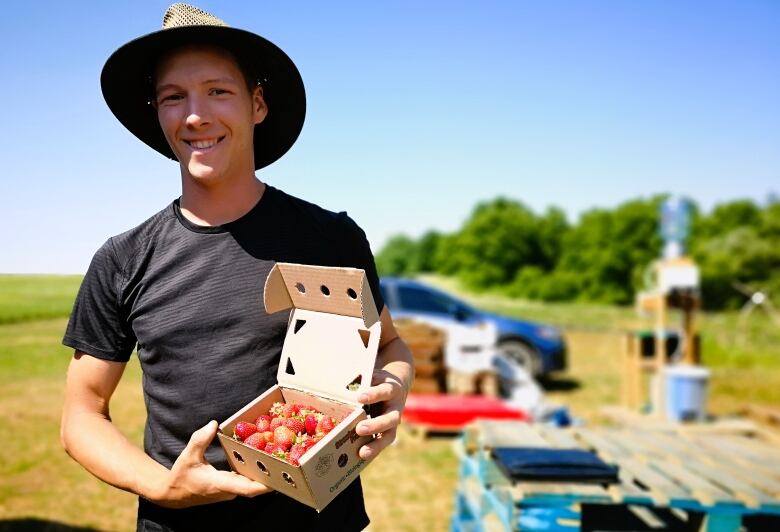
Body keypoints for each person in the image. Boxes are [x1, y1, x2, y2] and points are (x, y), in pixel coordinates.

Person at [59, 4, 413, 531]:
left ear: (258, 104)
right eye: (174, 97)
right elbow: (82, 414)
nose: (195, 114)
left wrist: (392, 390)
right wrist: (161, 485)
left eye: (217, 91)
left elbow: (386, 343)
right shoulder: (124, 259)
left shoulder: (331, 238)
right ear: (158, 114)